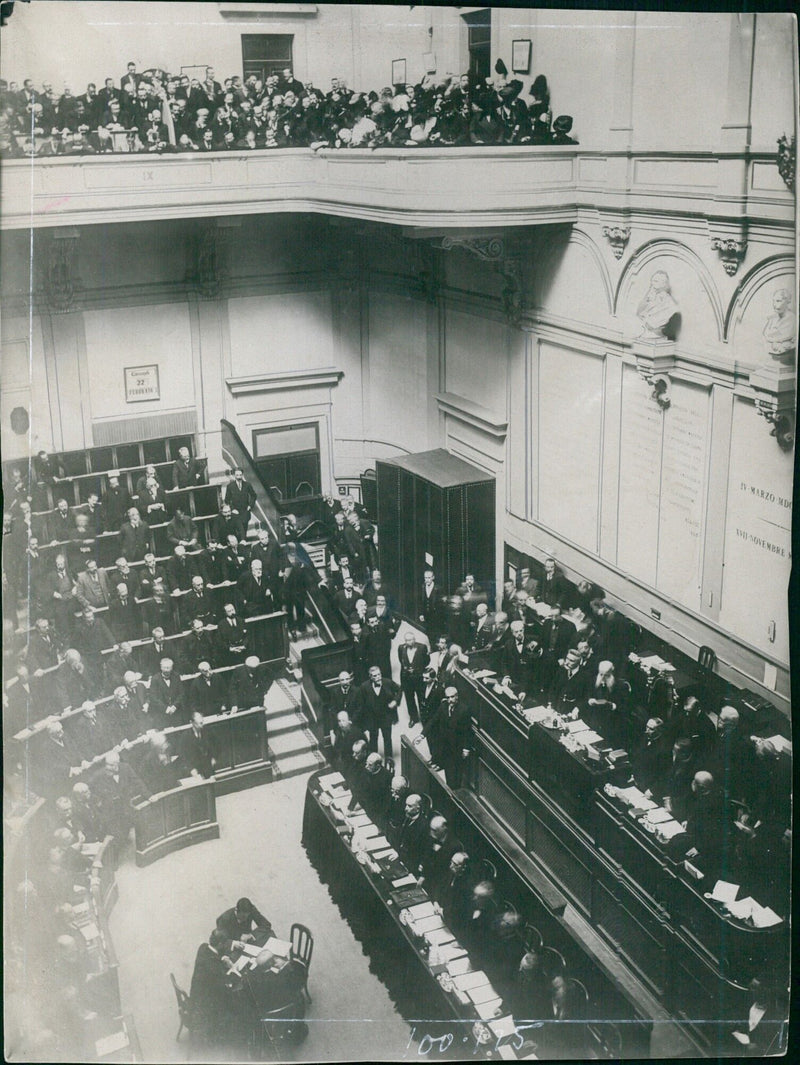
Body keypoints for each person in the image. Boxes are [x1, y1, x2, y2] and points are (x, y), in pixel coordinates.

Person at [189, 928, 238, 1044]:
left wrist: (223, 958)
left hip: (196, 996)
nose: (226, 946)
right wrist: (234, 970)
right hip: (206, 1005)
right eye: (225, 944)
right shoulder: (213, 968)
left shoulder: (203, 947)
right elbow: (227, 983)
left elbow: (215, 956)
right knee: (235, 1001)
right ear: (220, 944)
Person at [421, 686, 472, 788]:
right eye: (448, 697)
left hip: (456, 747)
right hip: (445, 746)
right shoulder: (443, 706)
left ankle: (455, 791)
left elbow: (467, 732)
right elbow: (433, 720)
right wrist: (422, 734)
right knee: (449, 773)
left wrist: (466, 748)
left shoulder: (464, 710)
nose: (450, 700)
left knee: (456, 775)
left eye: (452, 697)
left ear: (457, 696)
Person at [355, 665, 400, 758]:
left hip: (385, 717)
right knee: (373, 739)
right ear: (370, 677)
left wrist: (395, 701)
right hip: (372, 719)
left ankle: (389, 759)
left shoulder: (387, 682)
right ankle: (374, 758)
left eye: (379, 674)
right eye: (375, 676)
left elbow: (399, 690)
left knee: (387, 739)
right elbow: (361, 705)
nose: (378, 677)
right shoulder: (364, 687)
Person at [397, 630, 429, 725]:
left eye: (410, 640)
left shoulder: (422, 648)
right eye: (406, 640)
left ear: (414, 639)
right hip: (406, 679)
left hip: (419, 679)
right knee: (409, 699)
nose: (408, 642)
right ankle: (413, 717)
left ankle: (424, 718)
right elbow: (401, 660)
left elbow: (426, 661)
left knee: (422, 698)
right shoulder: (401, 648)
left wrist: (417, 669)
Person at [636, 270, 679, 340]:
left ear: (664, 284)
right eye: (652, 281)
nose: (652, 284)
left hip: (656, 336)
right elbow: (639, 313)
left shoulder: (670, 304)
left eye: (655, 281)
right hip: (646, 335)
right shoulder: (650, 298)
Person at [181, 710, 219, 778]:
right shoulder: (185, 736)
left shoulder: (208, 731)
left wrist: (214, 758)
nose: (202, 725)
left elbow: (217, 745)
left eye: (202, 722)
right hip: (194, 771)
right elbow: (184, 755)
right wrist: (191, 769)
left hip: (208, 767)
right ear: (191, 722)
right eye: (199, 723)